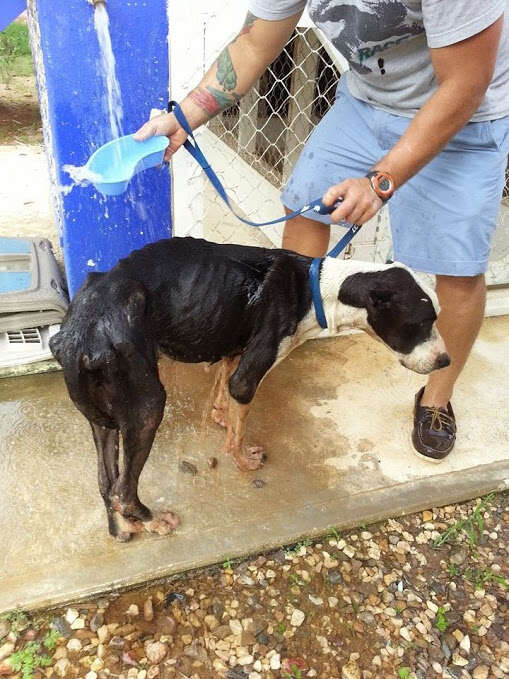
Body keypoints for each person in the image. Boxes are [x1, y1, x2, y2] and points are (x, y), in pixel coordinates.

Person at [135, 0, 509, 462]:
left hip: (463, 113)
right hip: (367, 101)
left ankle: (435, 398)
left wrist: (381, 180)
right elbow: (254, 42)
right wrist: (184, 116)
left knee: (455, 268)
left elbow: (466, 84)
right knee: (304, 207)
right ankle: (283, 338)